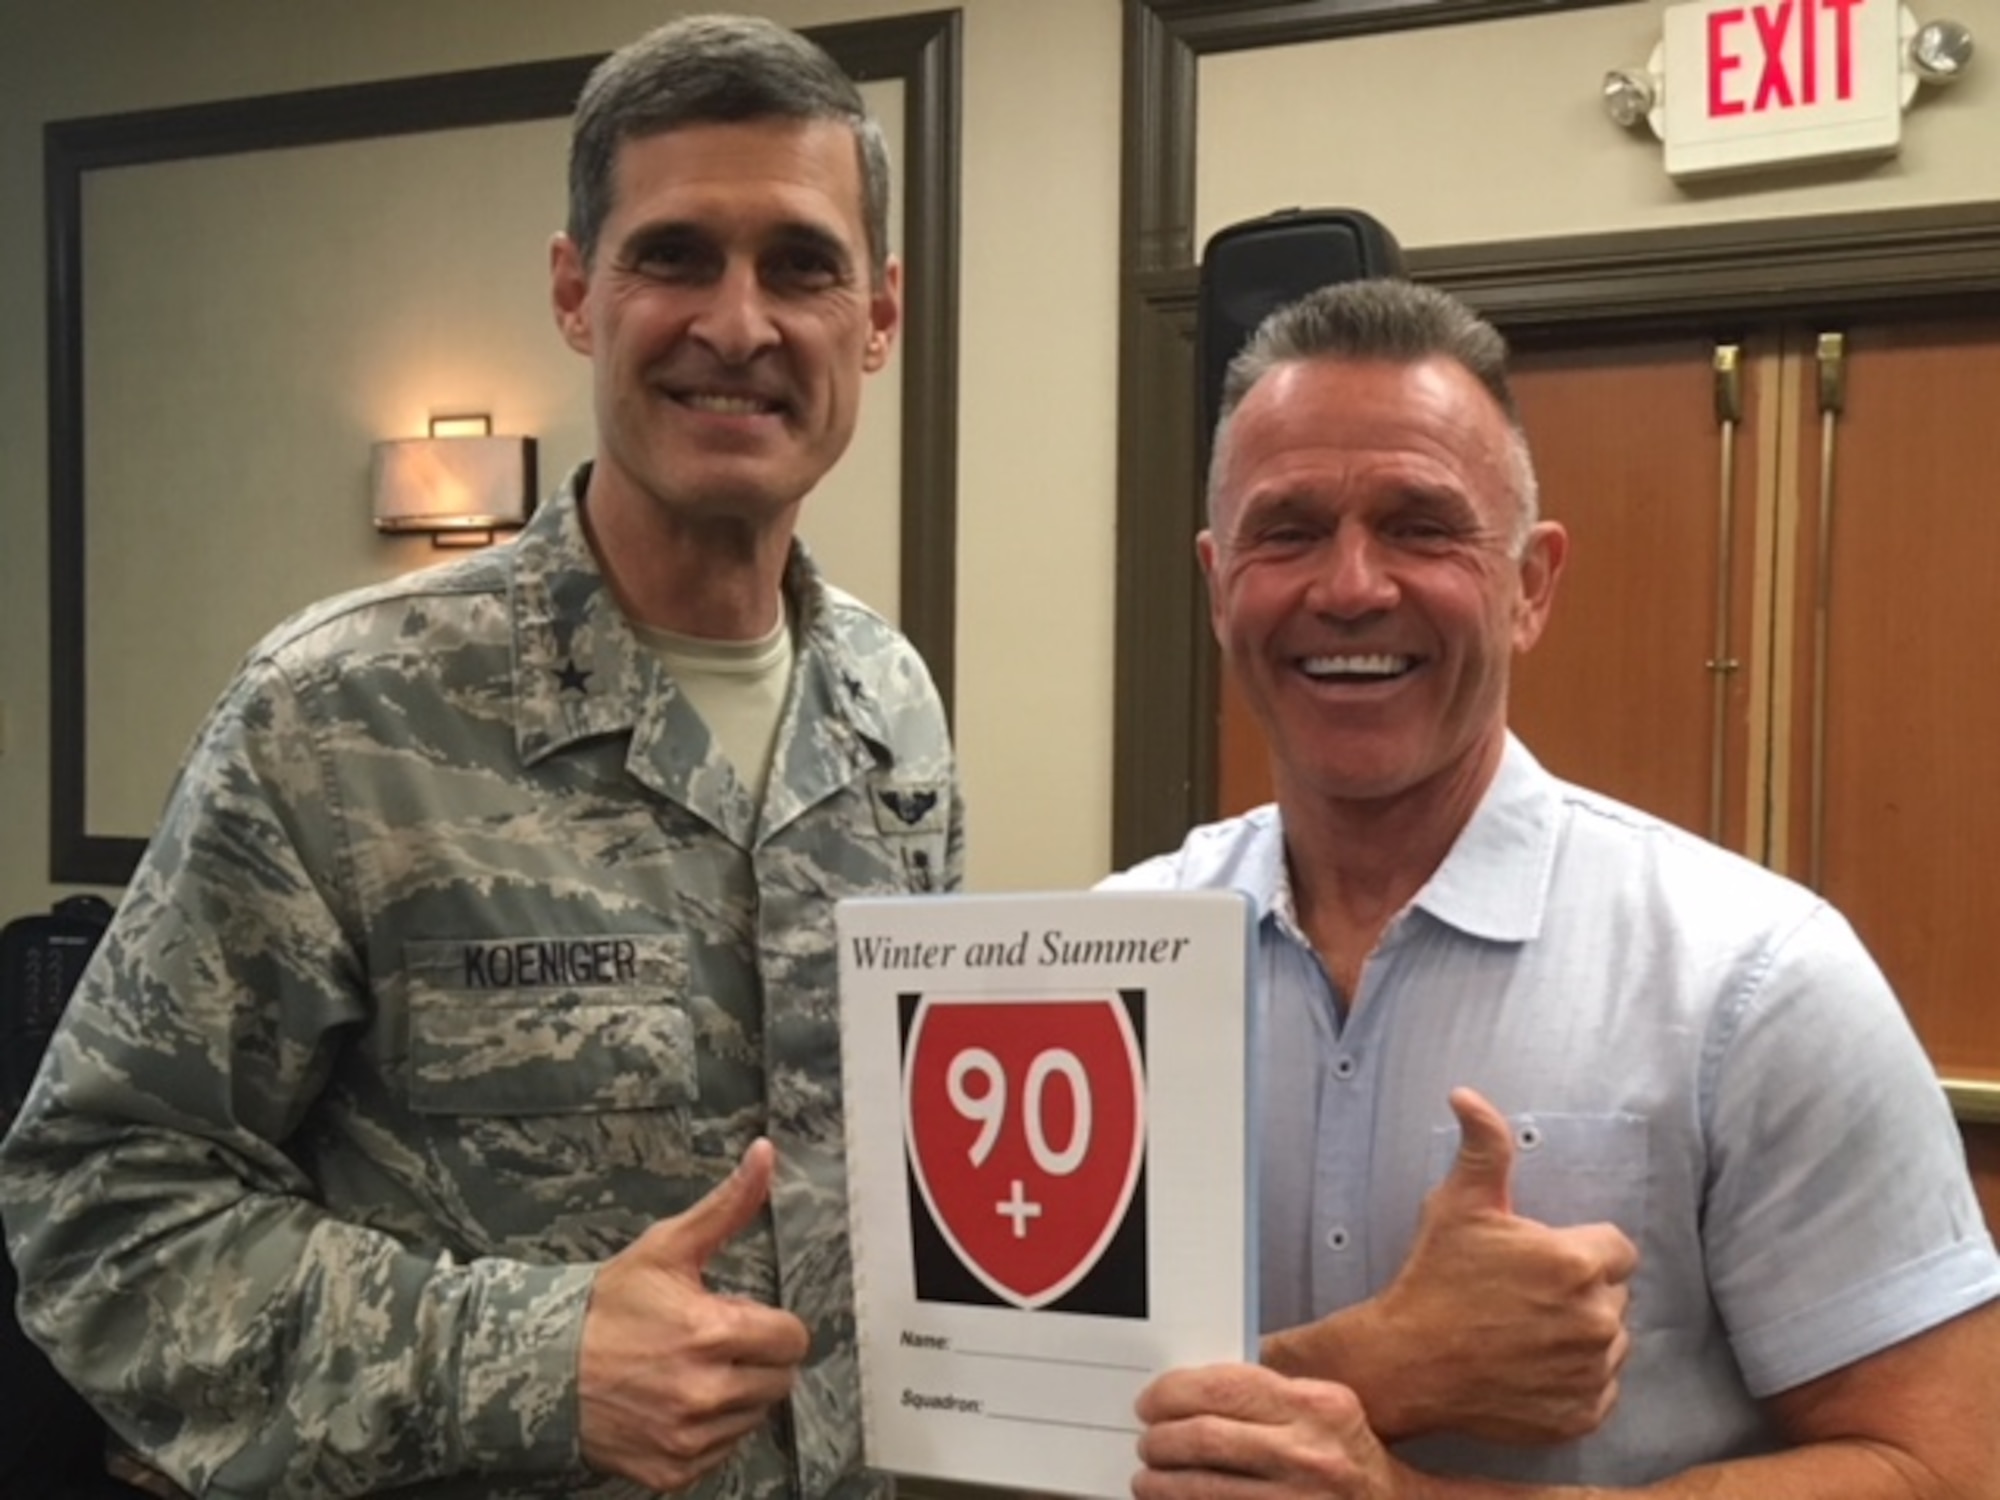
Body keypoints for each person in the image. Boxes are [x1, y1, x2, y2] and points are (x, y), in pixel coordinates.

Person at [0, 14, 961, 1500]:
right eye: (676, 255)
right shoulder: (334, 716)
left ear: (881, 316)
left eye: (802, 263)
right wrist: (530, 1360)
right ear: (578, 293)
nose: (740, 323)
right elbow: (100, 1214)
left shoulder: (890, 705)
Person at [1106, 278, 2000, 1494]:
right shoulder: (1106, 967)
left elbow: (1944, 1467)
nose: (1351, 586)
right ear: (1217, 583)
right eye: (1288, 529)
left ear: (1531, 583)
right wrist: (1374, 1366)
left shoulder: (1758, 982)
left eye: (1421, 526)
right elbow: (1003, 1404)